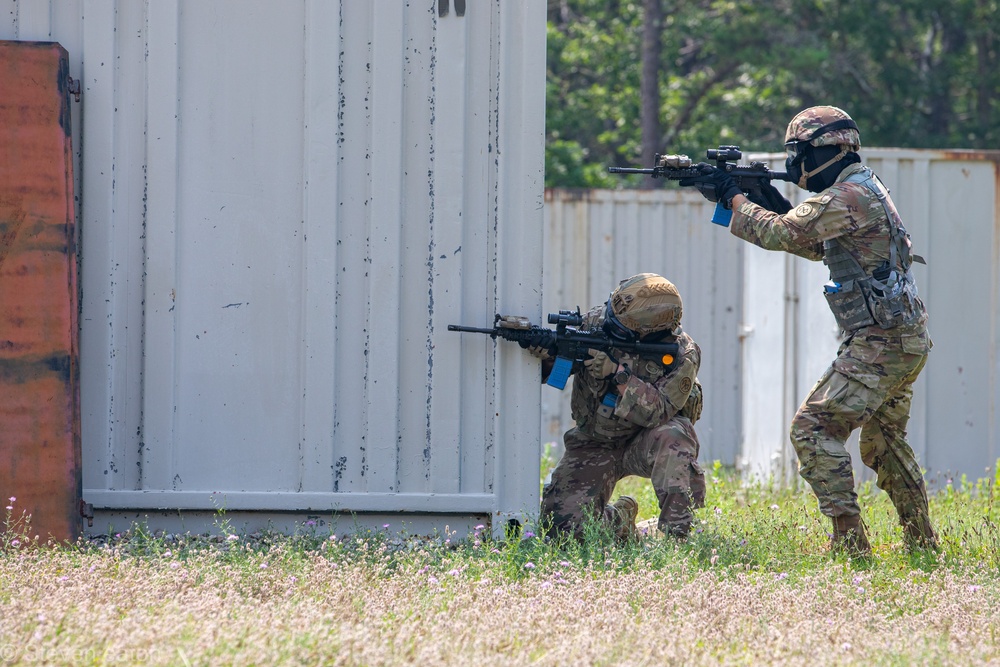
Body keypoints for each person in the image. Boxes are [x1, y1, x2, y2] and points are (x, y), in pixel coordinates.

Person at [680, 105, 936, 556]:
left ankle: (849, 544)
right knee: (885, 443)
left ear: (826, 151)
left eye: (797, 152)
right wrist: (760, 201)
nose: (793, 164)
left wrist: (734, 199)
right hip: (901, 338)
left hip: (882, 341)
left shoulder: (846, 196)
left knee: (813, 429)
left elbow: (782, 235)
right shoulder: (863, 187)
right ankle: (923, 544)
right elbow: (814, 241)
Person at [521, 273, 706, 541]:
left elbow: (660, 410)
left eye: (621, 327)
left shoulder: (682, 353)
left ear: (649, 330)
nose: (611, 324)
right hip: (595, 440)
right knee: (561, 530)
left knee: (675, 436)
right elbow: (555, 371)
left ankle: (680, 537)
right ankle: (619, 521)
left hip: (647, 439)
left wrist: (618, 374)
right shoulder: (597, 323)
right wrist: (549, 355)